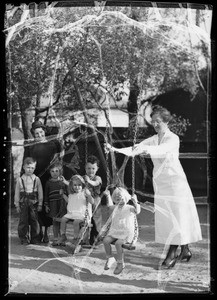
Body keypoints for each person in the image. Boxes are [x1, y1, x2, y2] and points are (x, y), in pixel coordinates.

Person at [106, 105, 202, 269]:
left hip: (176, 183)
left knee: (177, 216)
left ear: (166, 121)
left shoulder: (173, 139)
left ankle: (171, 254)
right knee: (169, 217)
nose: (155, 124)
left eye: (158, 121)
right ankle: (185, 250)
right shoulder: (152, 139)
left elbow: (161, 149)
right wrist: (114, 149)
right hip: (161, 184)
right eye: (153, 122)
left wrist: (146, 149)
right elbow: (135, 149)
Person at [24, 120, 63, 243]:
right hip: (35, 179)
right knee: (37, 206)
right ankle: (37, 232)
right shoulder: (30, 146)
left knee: (49, 205)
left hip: (50, 178)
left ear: (44, 132)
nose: (39, 135)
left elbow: (61, 154)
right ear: (33, 135)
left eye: (41, 132)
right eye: (36, 134)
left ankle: (47, 232)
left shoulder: (53, 143)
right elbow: (26, 162)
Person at [101, 187, 140, 275]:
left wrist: (135, 201)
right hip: (116, 231)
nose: (120, 201)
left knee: (118, 244)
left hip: (126, 232)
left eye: (121, 198)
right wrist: (107, 196)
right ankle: (110, 258)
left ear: (126, 198)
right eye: (117, 199)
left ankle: (120, 263)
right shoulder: (115, 207)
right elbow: (109, 206)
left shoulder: (129, 207)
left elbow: (137, 211)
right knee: (105, 240)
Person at [57, 174, 94, 246]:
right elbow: (69, 202)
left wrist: (89, 195)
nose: (77, 187)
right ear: (72, 186)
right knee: (63, 219)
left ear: (82, 185)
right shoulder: (71, 194)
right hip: (72, 213)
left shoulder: (84, 193)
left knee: (76, 222)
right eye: (75, 185)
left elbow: (92, 202)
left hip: (81, 214)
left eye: (79, 185)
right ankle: (63, 235)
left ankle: (76, 238)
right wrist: (63, 195)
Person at [14, 157, 43, 244]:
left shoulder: (37, 179)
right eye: (28, 167)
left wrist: (40, 204)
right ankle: (24, 238)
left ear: (35, 168)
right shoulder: (20, 180)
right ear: (23, 167)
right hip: (23, 202)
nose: (30, 170)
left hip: (34, 202)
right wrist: (17, 205)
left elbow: (40, 192)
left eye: (32, 168)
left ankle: (35, 238)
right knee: (23, 221)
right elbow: (17, 193)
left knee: (35, 220)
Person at [44, 162, 68, 246]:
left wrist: (64, 190)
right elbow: (46, 195)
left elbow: (69, 190)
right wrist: (46, 205)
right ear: (49, 172)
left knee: (62, 221)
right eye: (52, 171)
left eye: (57, 171)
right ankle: (55, 238)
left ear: (60, 171)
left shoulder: (62, 181)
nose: (55, 173)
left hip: (61, 203)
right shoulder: (48, 183)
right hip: (52, 204)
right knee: (55, 221)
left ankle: (62, 239)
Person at [83, 155, 102, 245]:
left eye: (93, 168)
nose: (91, 170)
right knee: (85, 218)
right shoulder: (83, 177)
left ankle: (95, 238)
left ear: (97, 169)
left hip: (95, 199)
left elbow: (96, 183)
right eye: (88, 168)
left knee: (95, 218)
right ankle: (84, 238)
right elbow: (75, 183)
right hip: (85, 200)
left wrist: (89, 181)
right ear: (85, 168)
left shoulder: (97, 178)